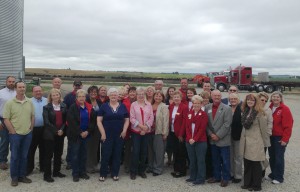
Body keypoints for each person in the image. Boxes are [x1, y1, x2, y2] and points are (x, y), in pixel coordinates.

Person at [3, 81, 34, 186]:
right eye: (20, 87)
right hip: (15, 134)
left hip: (27, 134)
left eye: (23, 87)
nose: (22, 89)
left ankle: (22, 176)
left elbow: (32, 116)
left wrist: (31, 127)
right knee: (15, 156)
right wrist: (12, 131)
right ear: (16, 89)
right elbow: (6, 118)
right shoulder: (10, 103)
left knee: (24, 156)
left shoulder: (29, 101)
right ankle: (14, 177)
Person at [97, 88, 129, 182]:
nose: (113, 96)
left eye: (115, 95)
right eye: (111, 95)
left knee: (117, 154)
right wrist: (102, 133)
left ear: (118, 96)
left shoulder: (122, 106)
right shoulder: (104, 106)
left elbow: (127, 120)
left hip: (119, 135)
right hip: (107, 134)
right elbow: (99, 121)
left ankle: (115, 173)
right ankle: (103, 173)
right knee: (106, 154)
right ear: (109, 96)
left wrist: (124, 131)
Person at [240, 93, 268, 191]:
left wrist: (265, 144)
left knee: (256, 164)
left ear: (256, 101)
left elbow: (264, 130)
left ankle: (256, 185)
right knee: (247, 163)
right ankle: (247, 183)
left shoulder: (260, 113)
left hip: (256, 142)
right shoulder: (244, 111)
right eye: (248, 100)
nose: (250, 101)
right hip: (246, 141)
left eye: (252, 100)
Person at [67, 89, 96, 182]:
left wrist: (87, 131)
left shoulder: (89, 107)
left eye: (83, 96)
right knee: (75, 155)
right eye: (79, 96)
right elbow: (71, 122)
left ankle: (83, 172)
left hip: (86, 135)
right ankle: (75, 174)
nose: (81, 98)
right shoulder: (73, 107)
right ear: (76, 98)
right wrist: (80, 132)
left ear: (85, 98)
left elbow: (92, 121)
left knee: (84, 155)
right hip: (76, 135)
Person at [205, 90, 232, 187]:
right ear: (211, 96)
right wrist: (210, 134)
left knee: (225, 160)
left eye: (218, 96)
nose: (217, 97)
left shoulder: (227, 108)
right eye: (215, 95)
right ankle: (216, 176)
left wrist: (218, 135)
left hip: (223, 139)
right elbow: (206, 123)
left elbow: (227, 124)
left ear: (221, 97)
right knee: (215, 159)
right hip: (212, 138)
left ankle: (225, 178)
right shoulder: (207, 107)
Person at [266, 91, 293, 184]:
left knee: (279, 157)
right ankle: (273, 174)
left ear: (281, 99)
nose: (275, 98)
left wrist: (285, 139)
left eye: (277, 97)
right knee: (272, 157)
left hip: (279, 137)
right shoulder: (269, 108)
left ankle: (279, 177)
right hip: (271, 136)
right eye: (273, 97)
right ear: (271, 98)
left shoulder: (285, 109)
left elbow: (288, 126)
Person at [43, 88, 67, 182]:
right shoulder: (46, 107)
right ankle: (47, 175)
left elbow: (65, 121)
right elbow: (46, 122)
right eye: (54, 95)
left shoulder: (64, 106)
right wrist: (56, 130)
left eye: (57, 95)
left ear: (60, 96)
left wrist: (61, 130)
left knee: (58, 154)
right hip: (50, 134)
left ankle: (56, 172)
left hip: (60, 134)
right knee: (48, 155)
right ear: (51, 97)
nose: (56, 96)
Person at [129, 87, 154, 180]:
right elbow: (132, 118)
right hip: (136, 132)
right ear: (136, 95)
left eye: (142, 94)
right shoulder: (133, 105)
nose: (140, 96)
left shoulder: (149, 105)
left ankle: (141, 171)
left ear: (145, 95)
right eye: (139, 94)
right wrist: (141, 127)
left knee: (144, 152)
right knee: (135, 152)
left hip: (146, 132)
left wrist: (146, 127)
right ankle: (133, 171)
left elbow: (151, 118)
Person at [185, 95, 208, 185]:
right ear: (192, 104)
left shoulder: (204, 115)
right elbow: (187, 127)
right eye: (195, 103)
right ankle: (192, 176)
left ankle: (200, 178)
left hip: (200, 141)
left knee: (200, 160)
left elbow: (202, 129)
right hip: (189, 140)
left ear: (201, 104)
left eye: (198, 103)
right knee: (192, 160)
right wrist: (190, 138)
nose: (196, 105)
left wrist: (194, 139)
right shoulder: (189, 114)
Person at [27, 86, 47, 175]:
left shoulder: (47, 100)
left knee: (44, 148)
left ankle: (43, 167)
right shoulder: (28, 101)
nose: (38, 92)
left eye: (39, 91)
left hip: (45, 128)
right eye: (36, 91)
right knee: (31, 149)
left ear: (42, 91)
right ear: (32, 92)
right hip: (33, 129)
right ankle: (29, 168)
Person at [64, 80, 84, 169]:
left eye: (79, 85)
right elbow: (65, 110)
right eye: (76, 85)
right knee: (71, 144)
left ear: (81, 86)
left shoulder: (85, 96)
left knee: (81, 145)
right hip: (71, 125)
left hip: (82, 124)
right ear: (73, 86)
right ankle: (69, 161)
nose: (77, 87)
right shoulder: (68, 96)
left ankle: (78, 160)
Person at [148, 90, 169, 176]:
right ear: (153, 97)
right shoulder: (150, 105)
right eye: (156, 96)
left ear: (163, 98)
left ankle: (158, 169)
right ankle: (151, 166)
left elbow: (166, 120)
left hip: (159, 131)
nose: (158, 97)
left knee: (159, 151)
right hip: (149, 131)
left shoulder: (164, 106)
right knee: (150, 151)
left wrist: (165, 133)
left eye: (160, 96)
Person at [169, 90, 188, 178]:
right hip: (172, 133)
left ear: (181, 98)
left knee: (181, 152)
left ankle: (182, 171)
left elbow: (185, 121)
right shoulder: (171, 106)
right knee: (175, 152)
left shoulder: (184, 107)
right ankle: (176, 169)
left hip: (180, 134)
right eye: (175, 97)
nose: (176, 98)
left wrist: (181, 134)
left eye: (178, 97)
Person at [0, 76, 16, 170]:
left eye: (13, 81)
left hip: (15, 121)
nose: (11, 83)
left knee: (14, 141)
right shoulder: (1, 93)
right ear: (6, 82)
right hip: (3, 120)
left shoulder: (17, 92)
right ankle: (2, 161)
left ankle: (14, 160)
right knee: (4, 141)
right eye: (9, 81)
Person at [86, 86, 102, 173]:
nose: (93, 93)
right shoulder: (85, 101)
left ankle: (94, 164)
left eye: (95, 92)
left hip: (97, 128)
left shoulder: (99, 102)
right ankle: (88, 166)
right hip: (88, 127)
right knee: (88, 147)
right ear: (89, 93)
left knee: (95, 147)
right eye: (92, 92)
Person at [257, 92, 273, 179]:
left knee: (262, 156)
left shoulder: (268, 110)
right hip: (254, 137)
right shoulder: (253, 108)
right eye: (262, 100)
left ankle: (261, 175)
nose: (264, 101)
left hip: (263, 138)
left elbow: (270, 123)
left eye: (265, 101)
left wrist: (268, 134)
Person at [228, 93, 243, 183]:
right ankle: (231, 173)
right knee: (230, 155)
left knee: (238, 156)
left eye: (235, 98)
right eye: (231, 99)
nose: (233, 100)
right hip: (228, 136)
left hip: (239, 136)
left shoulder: (242, 108)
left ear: (238, 99)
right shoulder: (227, 108)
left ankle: (238, 176)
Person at [123, 86, 137, 173]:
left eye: (134, 92)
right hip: (127, 128)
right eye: (131, 92)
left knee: (136, 147)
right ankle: (127, 165)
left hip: (136, 127)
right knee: (127, 147)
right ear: (128, 93)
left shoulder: (139, 102)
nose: (132, 93)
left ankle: (135, 164)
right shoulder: (124, 102)